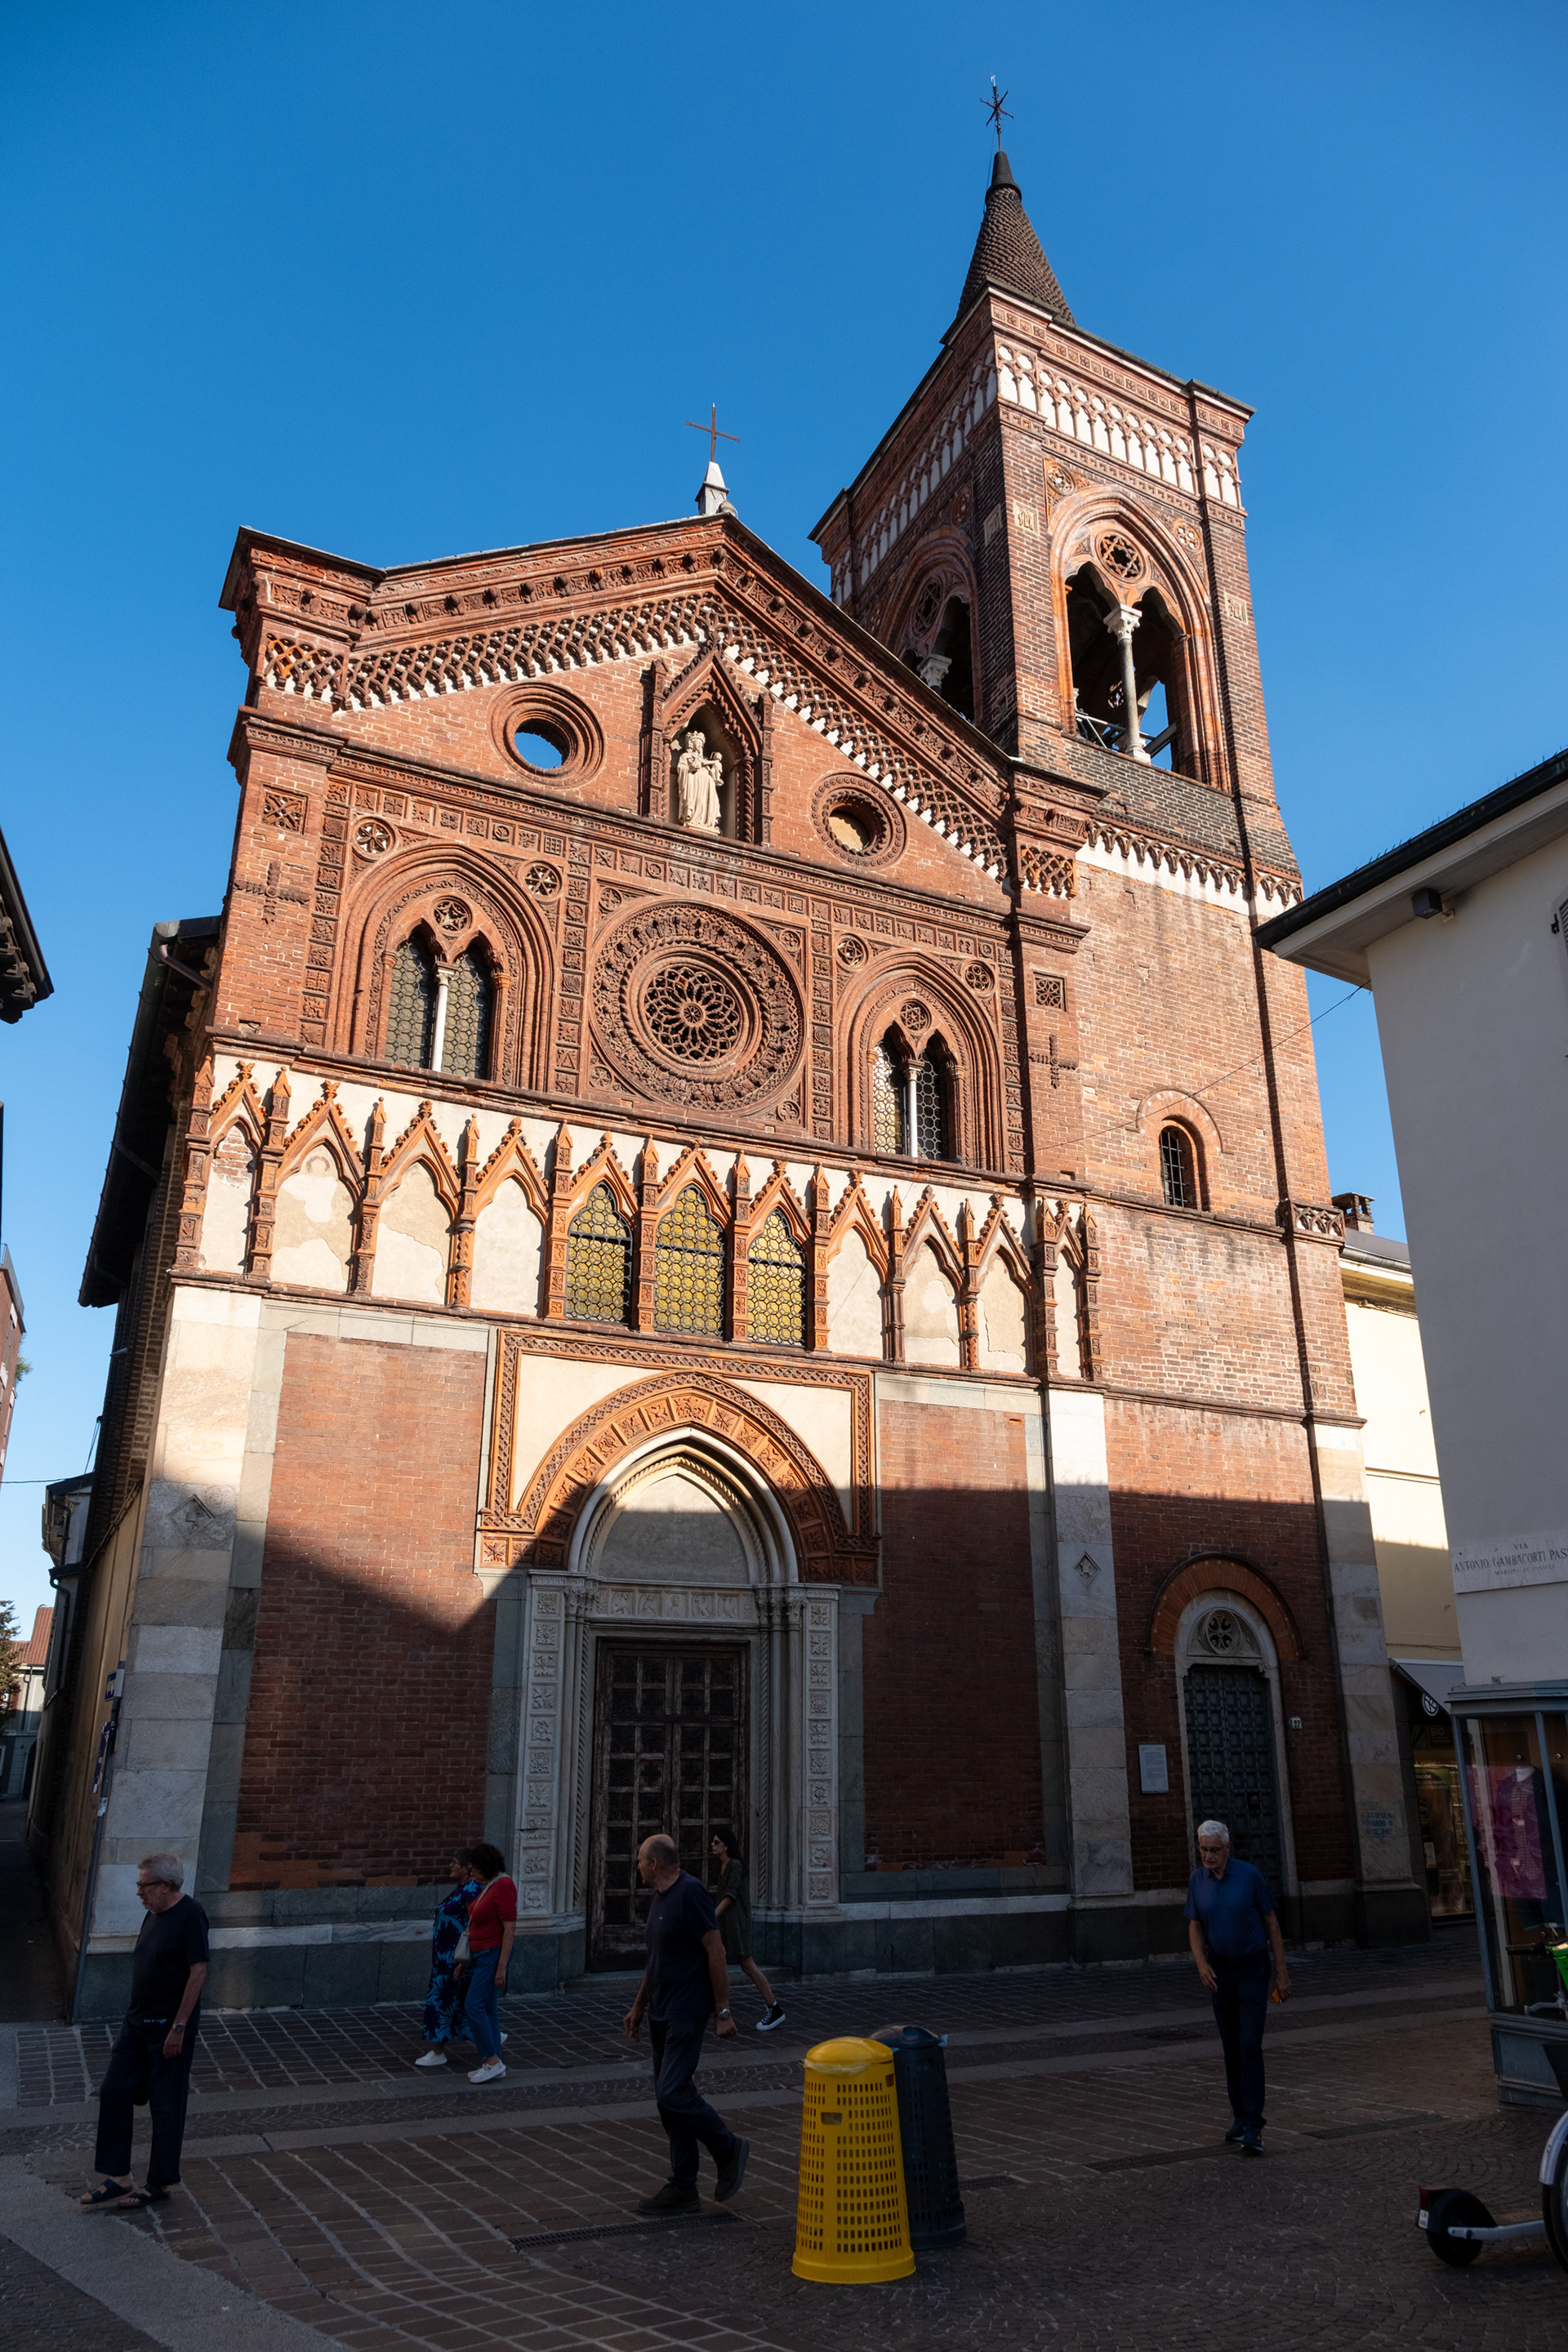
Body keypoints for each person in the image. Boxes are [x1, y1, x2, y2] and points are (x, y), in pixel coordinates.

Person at [623, 1833, 749, 2213]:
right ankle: (683, 2186)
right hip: (660, 2010)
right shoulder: (660, 1899)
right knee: (669, 2102)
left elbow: (716, 1950)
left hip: (686, 2010)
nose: (637, 1866)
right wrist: (639, 2007)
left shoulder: (691, 1894)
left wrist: (723, 2011)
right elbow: (655, 1959)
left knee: (672, 2092)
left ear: (654, 1864)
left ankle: (728, 2147)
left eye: (640, 1860)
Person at [78, 1851, 208, 2212]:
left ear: (166, 1885)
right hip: (136, 2023)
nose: (138, 1892)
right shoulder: (153, 1913)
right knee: (114, 2090)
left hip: (168, 2028)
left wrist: (179, 2027)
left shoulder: (191, 1914)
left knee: (166, 2104)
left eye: (144, 1885)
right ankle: (118, 2177)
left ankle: (161, 2182)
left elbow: (198, 1971)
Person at [1185, 1818, 1292, 2155]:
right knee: (1231, 2046)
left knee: (1249, 2044)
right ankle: (1240, 2118)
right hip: (1220, 1972)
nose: (1208, 1856)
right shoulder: (1197, 1879)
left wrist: (1282, 1973)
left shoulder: (1249, 1875)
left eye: (1214, 1850)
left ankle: (1255, 2126)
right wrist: (1201, 1964)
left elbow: (1272, 1922)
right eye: (1203, 1849)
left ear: (1228, 1849)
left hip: (1252, 1969)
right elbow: (1194, 1925)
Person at [413, 1853, 486, 2068]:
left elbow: (475, 1921)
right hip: (444, 1959)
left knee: (446, 2002)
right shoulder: (460, 1888)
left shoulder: (471, 1890)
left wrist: (468, 1956)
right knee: (455, 2003)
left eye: (454, 1862)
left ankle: (439, 2051)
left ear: (466, 1867)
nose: (450, 1865)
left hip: (456, 1959)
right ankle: (490, 2036)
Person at [709, 1829, 786, 2031]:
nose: (712, 1845)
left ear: (726, 1845)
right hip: (726, 1924)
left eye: (716, 1842)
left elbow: (730, 1896)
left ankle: (774, 2008)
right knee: (714, 1961)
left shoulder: (734, 1865)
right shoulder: (724, 1866)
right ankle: (713, 2005)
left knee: (747, 1965)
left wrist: (711, 1916)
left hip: (736, 1923)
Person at [458, 1841, 516, 2086]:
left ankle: (492, 2060)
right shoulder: (489, 1886)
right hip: (481, 1954)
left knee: (473, 2005)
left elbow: (509, 1929)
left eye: (474, 1868)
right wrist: (466, 1960)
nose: (471, 1872)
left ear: (486, 1866)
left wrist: (501, 1967)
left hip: (492, 1954)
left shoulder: (504, 1885)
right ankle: (495, 2063)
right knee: (488, 2008)